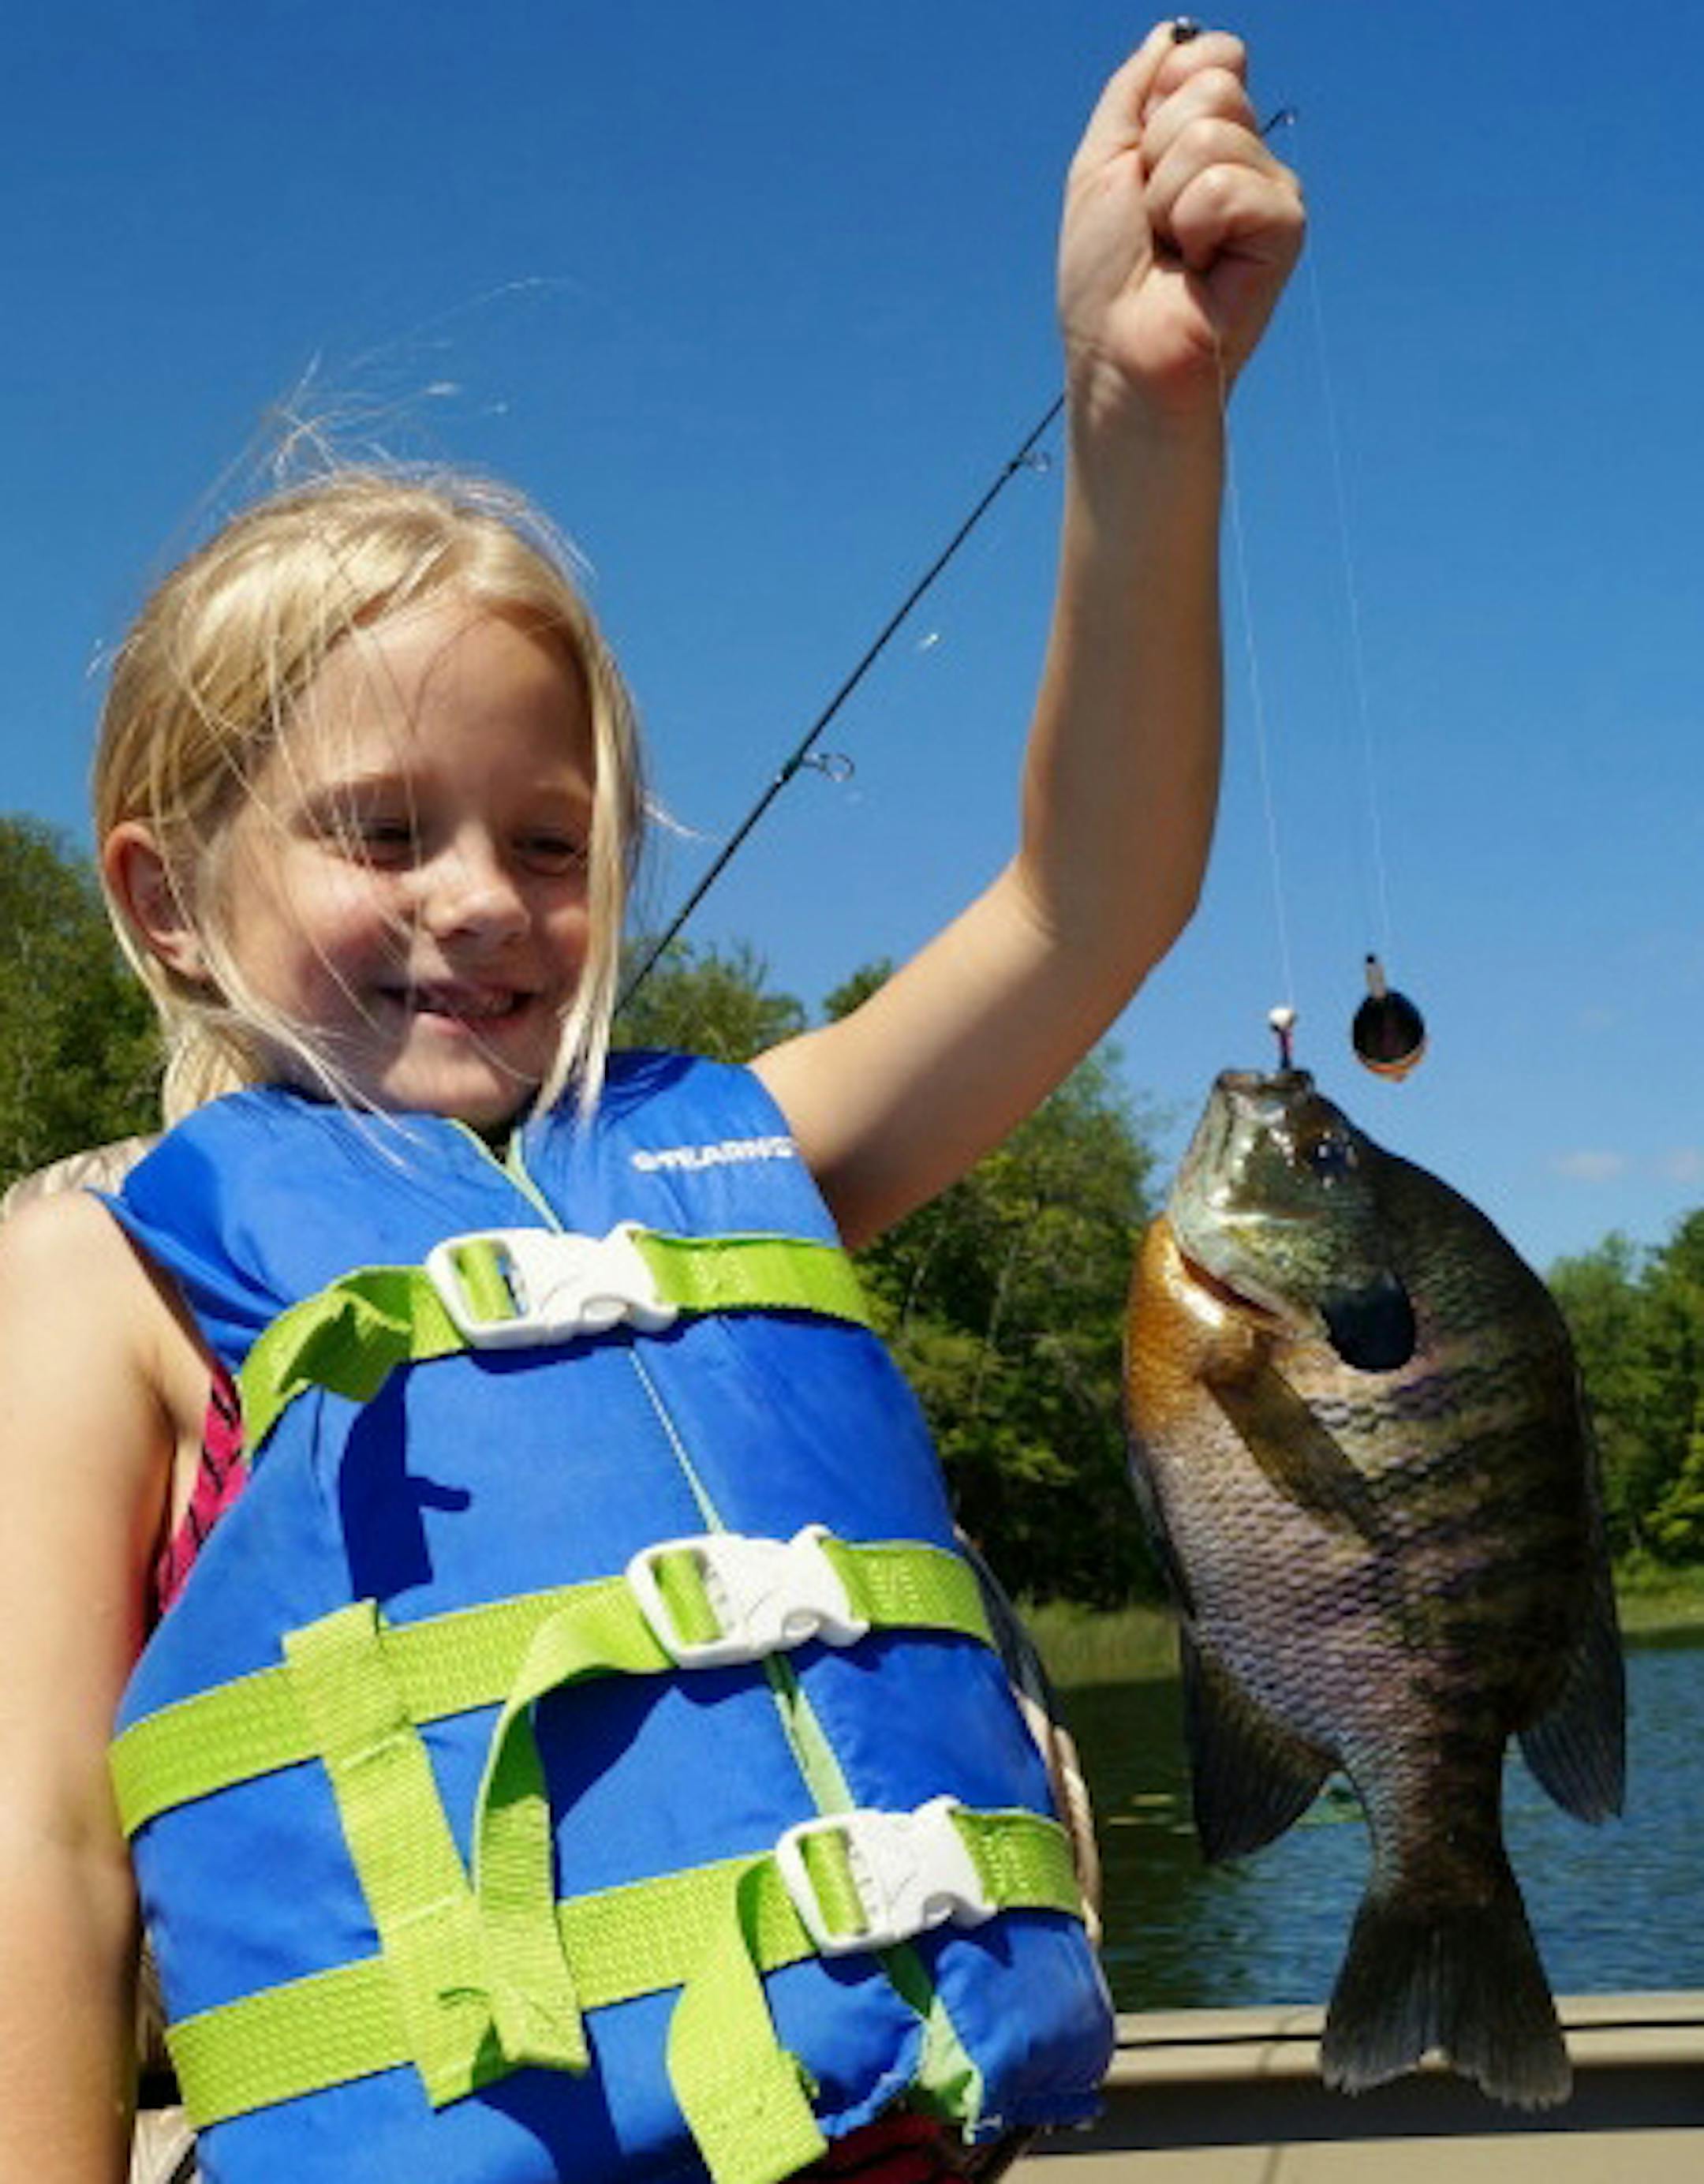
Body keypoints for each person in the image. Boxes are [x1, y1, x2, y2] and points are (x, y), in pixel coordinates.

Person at [0, 21, 1302, 2184]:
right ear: (162, 899)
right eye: (383, 828)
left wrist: (1141, 415)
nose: (481, 905)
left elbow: (1095, 905)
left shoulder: (739, 1157)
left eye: (550, 836)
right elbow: (40, 1844)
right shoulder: (95, 1268)